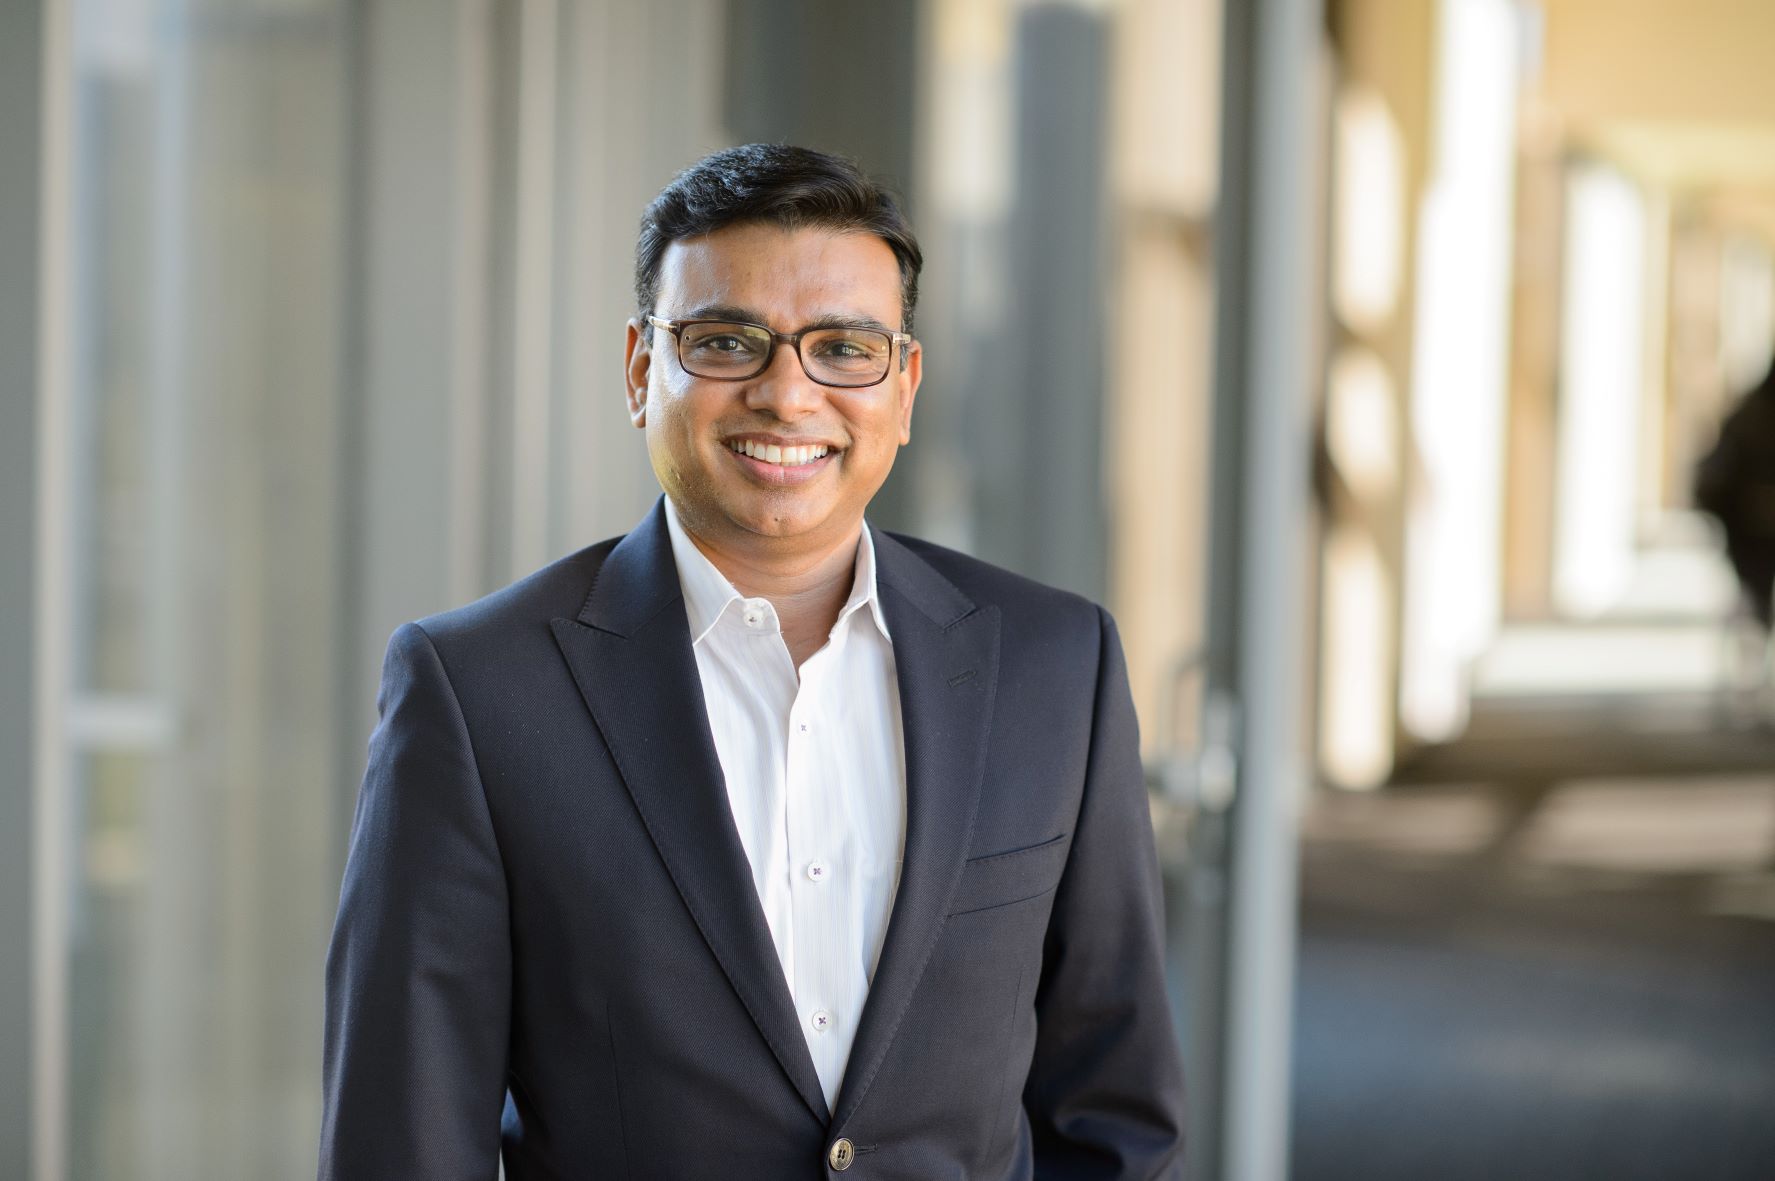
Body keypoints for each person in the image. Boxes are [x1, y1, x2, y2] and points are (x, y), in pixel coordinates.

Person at [319, 143, 1184, 1179]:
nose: (785, 393)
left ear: (901, 389)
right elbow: (400, 1138)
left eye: (843, 348)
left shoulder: (1055, 666)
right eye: (726, 341)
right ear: (643, 370)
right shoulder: (476, 692)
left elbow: (1116, 1115)